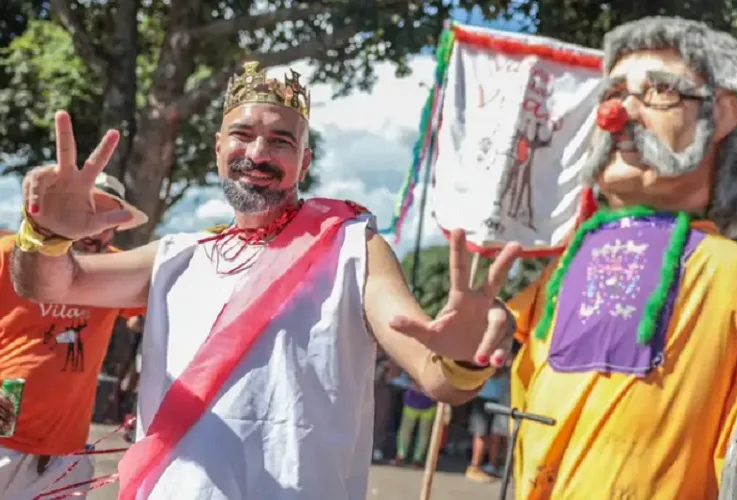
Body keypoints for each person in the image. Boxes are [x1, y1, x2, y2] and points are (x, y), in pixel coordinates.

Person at [9, 60, 522, 500]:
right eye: (243, 135)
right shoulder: (177, 256)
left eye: (280, 140)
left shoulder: (352, 247)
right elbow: (50, 284)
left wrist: (460, 355)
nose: (257, 153)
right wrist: (45, 233)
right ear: (216, 148)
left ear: (305, 160)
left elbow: (434, 374)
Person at [507, 16, 737, 499]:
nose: (617, 116)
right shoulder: (569, 261)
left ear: (723, 114)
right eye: (614, 94)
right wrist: (462, 351)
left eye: (659, 91)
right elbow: (492, 353)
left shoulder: (729, 269)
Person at [0, 173, 147, 499]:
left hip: (65, 456)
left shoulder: (115, 269)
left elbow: (157, 321)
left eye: (106, 222)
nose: (93, 230)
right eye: (86, 214)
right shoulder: (10, 254)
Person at [466, 367, 509, 482]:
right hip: (485, 397)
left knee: (489, 434)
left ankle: (480, 466)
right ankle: (474, 467)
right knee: (481, 433)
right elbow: (494, 373)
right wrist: (506, 370)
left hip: (493, 397)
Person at [391, 381, 436, 467]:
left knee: (424, 433)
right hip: (411, 401)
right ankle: (401, 454)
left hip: (429, 404)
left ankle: (418, 458)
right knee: (405, 431)